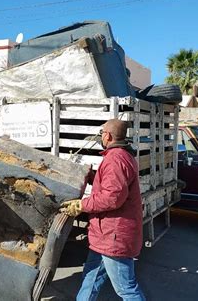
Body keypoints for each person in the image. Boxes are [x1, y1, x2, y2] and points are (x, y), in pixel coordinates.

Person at [60, 119, 146, 301]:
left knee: (126, 289)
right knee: (91, 277)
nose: (101, 137)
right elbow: (111, 185)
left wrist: (81, 205)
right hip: (105, 235)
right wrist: (92, 176)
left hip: (114, 236)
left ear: (107, 135)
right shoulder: (122, 156)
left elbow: (112, 197)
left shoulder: (115, 159)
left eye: (102, 133)